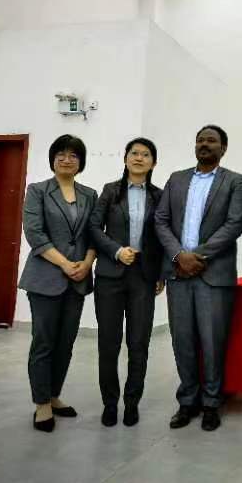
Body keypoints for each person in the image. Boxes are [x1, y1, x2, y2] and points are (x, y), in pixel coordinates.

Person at [154, 125, 242, 432]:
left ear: (223, 148)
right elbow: (161, 220)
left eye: (211, 140)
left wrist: (197, 256)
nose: (205, 144)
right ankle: (187, 401)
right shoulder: (176, 179)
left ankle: (211, 403)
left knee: (212, 342)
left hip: (213, 275)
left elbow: (234, 224)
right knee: (182, 341)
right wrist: (179, 255)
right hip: (178, 273)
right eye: (200, 140)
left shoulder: (234, 181)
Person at [19, 134, 97, 432]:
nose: (67, 159)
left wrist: (87, 263)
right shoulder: (38, 191)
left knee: (65, 343)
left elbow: (94, 234)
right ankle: (41, 404)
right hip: (45, 278)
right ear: (53, 159)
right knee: (44, 341)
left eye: (73, 155)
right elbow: (35, 234)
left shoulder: (90, 194)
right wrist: (65, 264)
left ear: (81, 162)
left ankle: (53, 395)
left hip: (78, 279)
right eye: (61, 154)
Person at [89, 137, 164, 428]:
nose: (139, 158)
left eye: (146, 154)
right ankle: (110, 403)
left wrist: (160, 274)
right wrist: (116, 250)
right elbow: (94, 227)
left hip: (143, 277)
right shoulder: (110, 191)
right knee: (108, 343)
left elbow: (162, 236)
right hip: (110, 274)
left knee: (138, 343)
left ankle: (132, 403)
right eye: (134, 153)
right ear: (125, 158)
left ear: (153, 163)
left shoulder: (159, 196)